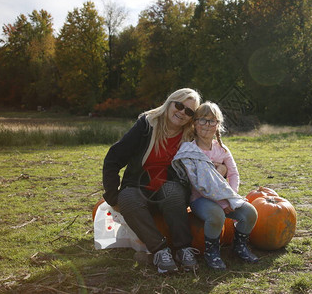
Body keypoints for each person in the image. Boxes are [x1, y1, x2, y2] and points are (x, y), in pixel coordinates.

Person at [102, 88, 201, 273]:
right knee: (128, 198)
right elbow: (113, 158)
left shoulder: (190, 136)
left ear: (192, 117)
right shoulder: (147, 125)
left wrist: (224, 168)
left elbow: (209, 155)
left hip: (170, 194)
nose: (182, 112)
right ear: (170, 102)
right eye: (179, 105)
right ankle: (160, 250)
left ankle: (183, 248)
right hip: (138, 188)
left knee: (172, 191)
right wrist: (112, 196)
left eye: (189, 111)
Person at [171, 101, 258, 270]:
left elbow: (233, 173)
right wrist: (223, 202)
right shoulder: (190, 150)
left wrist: (231, 197)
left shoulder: (222, 150)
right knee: (216, 215)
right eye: (202, 120)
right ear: (194, 124)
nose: (207, 124)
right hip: (200, 199)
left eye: (212, 121)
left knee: (250, 213)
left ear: (218, 125)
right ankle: (212, 252)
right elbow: (199, 183)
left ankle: (239, 246)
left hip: (225, 198)